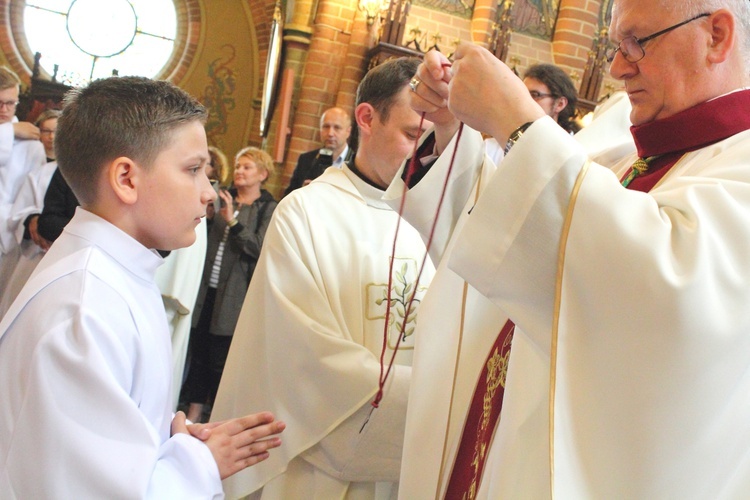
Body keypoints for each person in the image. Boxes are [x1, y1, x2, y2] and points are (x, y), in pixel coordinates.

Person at [392, 0, 750, 497]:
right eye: (614, 45)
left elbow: (666, 300)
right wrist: (453, 126)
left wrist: (516, 119)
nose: (617, 68)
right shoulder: (629, 158)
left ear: (716, 35)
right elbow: (505, 235)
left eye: (636, 44)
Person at [0, 76, 285, 498]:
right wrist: (200, 464)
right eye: (193, 170)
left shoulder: (119, 273)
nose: (209, 193)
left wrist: (170, 445)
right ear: (127, 180)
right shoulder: (86, 306)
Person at [212, 57, 434, 499]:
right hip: (320, 472)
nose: (422, 155)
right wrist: (439, 402)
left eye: (432, 142)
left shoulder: (432, 219)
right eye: (411, 135)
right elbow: (302, 357)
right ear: (367, 118)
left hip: (407, 476)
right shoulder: (306, 213)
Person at [181, 146, 278, 423]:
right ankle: (193, 412)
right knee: (197, 352)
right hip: (205, 288)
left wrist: (233, 221)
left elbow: (259, 247)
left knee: (220, 359)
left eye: (247, 167)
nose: (239, 171)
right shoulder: (221, 197)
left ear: (263, 174)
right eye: (237, 166)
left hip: (234, 294)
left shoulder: (267, 208)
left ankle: (217, 417)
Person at [0, 109, 60, 317]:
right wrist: (31, 220)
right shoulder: (41, 171)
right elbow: (19, 211)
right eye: (46, 131)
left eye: (57, 131)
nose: (52, 137)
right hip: (33, 255)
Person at [0, 66, 46, 271]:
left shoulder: (32, 146)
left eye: (10, 103)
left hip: (4, 237)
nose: (4, 110)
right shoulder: (11, 130)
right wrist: (8, 130)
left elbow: (31, 200)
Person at [283, 106, 354, 196]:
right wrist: (302, 191)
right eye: (326, 127)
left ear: (348, 131)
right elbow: (288, 196)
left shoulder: (356, 164)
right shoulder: (307, 160)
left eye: (337, 128)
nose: (330, 133)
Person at [524, 62, 581, 134]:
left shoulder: (570, 143)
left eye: (535, 95)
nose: (525, 100)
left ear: (560, 104)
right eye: (523, 93)